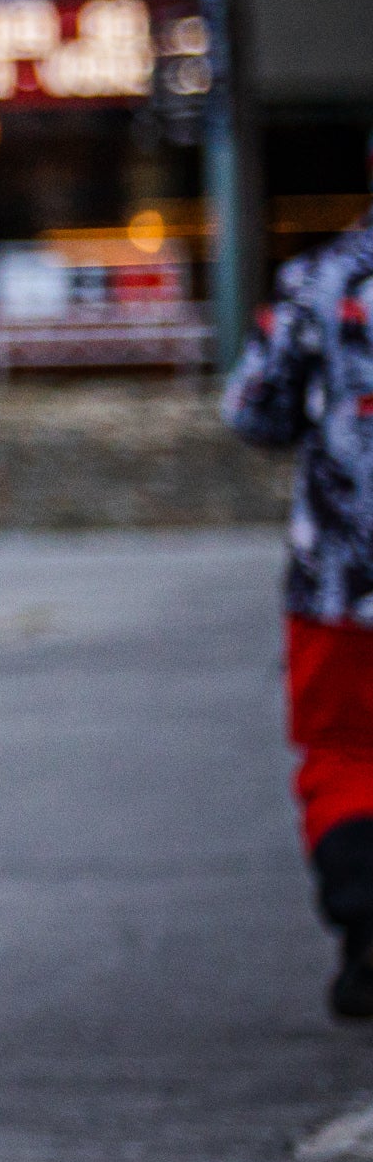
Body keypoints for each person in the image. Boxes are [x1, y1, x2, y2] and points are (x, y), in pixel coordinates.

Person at [222, 147, 373, 1021]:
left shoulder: (321, 281)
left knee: (347, 754)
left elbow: (253, 410)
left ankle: (366, 939)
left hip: (339, 579)